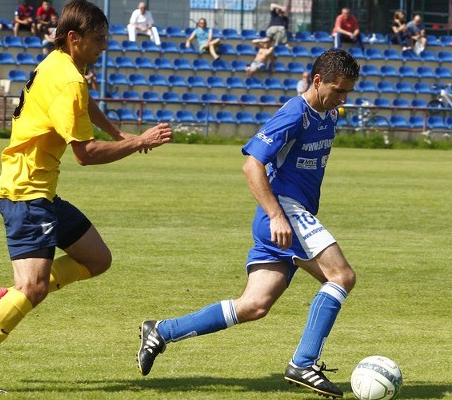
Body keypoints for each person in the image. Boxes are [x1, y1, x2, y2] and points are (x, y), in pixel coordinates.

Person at [0, 0, 173, 394]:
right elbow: (85, 155)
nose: (104, 47)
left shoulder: (60, 65)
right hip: (25, 193)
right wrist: (139, 143)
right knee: (32, 289)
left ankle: (15, 292)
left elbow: (84, 102)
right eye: (98, 40)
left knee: (97, 258)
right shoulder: (68, 79)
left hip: (39, 191)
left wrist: (118, 133)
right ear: (73, 37)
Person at [137, 49, 360, 399]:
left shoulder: (328, 113)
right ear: (318, 82)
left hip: (291, 217)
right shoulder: (294, 114)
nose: (343, 98)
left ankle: (162, 331)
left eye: (348, 92)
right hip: (285, 212)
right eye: (338, 90)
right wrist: (276, 215)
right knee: (341, 275)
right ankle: (304, 362)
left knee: (254, 305)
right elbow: (252, 165)